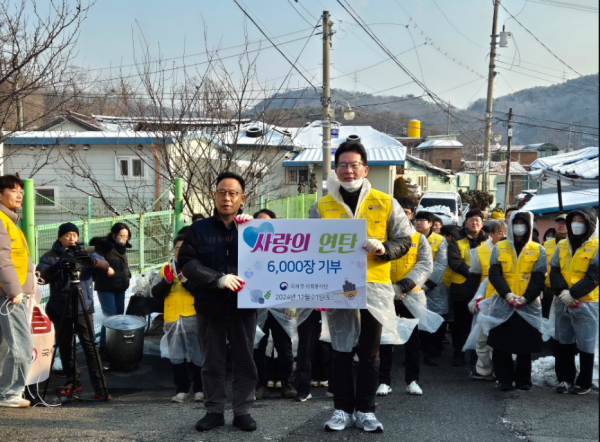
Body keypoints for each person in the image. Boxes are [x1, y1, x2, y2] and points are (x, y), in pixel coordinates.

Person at [310, 141, 414, 433]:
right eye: (342, 164)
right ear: (336, 169)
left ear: (365, 169)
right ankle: (342, 409)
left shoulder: (385, 201)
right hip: (338, 287)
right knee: (340, 350)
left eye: (354, 164)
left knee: (370, 353)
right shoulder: (322, 206)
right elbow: (306, 247)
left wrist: (384, 248)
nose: (348, 170)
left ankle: (367, 410)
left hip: (374, 288)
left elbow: (404, 239)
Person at [178, 172, 258, 432]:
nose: (227, 198)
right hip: (209, 307)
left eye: (233, 193)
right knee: (212, 361)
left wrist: (255, 227)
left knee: (245, 361)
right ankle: (214, 410)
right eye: (222, 192)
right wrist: (217, 279)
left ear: (242, 198)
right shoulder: (198, 230)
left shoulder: (252, 228)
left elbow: (271, 258)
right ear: (214, 196)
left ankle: (243, 411)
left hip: (244, 307)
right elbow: (187, 263)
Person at [37, 223, 112, 399]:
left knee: (90, 346)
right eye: (68, 235)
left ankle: (100, 388)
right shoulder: (50, 256)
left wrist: (91, 260)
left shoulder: (85, 251)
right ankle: (72, 382)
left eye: (74, 235)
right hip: (60, 308)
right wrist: (56, 267)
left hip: (83, 307)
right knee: (65, 346)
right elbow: (40, 278)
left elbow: (105, 265)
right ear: (60, 237)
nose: (72, 238)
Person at [487, 210, 547, 391]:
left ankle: (523, 381)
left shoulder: (538, 249)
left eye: (523, 223)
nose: (519, 227)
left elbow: (539, 277)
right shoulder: (500, 247)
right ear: (511, 226)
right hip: (503, 302)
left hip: (527, 305)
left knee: (525, 345)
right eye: (516, 223)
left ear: (529, 226)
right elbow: (494, 273)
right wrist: (507, 294)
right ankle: (504, 379)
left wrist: (526, 298)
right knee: (501, 344)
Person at [377, 205, 433, 397]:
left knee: (412, 341)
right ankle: (384, 381)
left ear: (411, 215)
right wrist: (388, 288)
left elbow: (425, 265)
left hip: (410, 296)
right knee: (384, 339)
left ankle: (412, 380)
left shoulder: (419, 238)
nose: (401, 216)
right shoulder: (380, 236)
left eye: (406, 212)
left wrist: (403, 286)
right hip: (384, 294)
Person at [549, 206, 598, 395]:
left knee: (586, 343)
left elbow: (595, 275)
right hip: (563, 300)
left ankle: (584, 383)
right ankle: (564, 379)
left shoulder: (597, 244)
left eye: (581, 221)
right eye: (574, 221)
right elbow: (554, 269)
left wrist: (574, 294)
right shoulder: (562, 244)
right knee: (563, 342)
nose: (576, 225)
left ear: (590, 223)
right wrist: (562, 292)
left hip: (587, 302)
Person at [151, 234, 204, 403]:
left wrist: (187, 281)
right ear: (173, 251)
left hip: (193, 317)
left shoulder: (198, 268)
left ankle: (200, 390)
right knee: (177, 356)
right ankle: (181, 390)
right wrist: (166, 281)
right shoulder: (165, 269)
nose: (180, 252)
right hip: (173, 317)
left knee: (198, 355)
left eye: (185, 248)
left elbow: (204, 292)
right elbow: (155, 294)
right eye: (177, 248)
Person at [251, 209, 297, 401]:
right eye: (258, 223)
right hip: (256, 307)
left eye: (267, 224)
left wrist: (292, 307)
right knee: (257, 348)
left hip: (281, 305)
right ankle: (260, 385)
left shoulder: (284, 248)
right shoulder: (248, 249)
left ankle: (287, 382)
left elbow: (294, 274)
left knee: (284, 346)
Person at [0, 175, 35, 408]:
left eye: (21, 190)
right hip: (10, 296)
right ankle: (10, 393)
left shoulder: (10, 221)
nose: (19, 194)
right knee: (20, 344)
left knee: (7, 345)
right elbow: (2, 259)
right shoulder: (2, 220)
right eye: (13, 190)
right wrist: (15, 291)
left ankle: (6, 392)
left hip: (14, 293)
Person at [447, 209, 488, 367]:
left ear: (482, 224)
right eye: (471, 220)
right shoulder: (457, 238)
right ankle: (458, 354)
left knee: (478, 324)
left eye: (477, 220)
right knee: (459, 325)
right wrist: (472, 274)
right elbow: (454, 261)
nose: (474, 222)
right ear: (465, 223)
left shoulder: (487, 239)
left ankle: (476, 357)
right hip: (461, 289)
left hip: (481, 289)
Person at [467, 220, 507, 381]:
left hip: (505, 301)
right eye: (500, 232)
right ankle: (483, 370)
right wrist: (475, 298)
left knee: (499, 340)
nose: (504, 235)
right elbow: (478, 277)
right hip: (485, 301)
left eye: (506, 232)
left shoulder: (512, 251)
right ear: (491, 234)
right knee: (481, 339)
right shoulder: (480, 251)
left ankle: (501, 371)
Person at [414, 211, 450, 368]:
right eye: (417, 220)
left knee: (435, 317)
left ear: (430, 224)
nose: (419, 223)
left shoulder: (439, 240)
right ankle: (414, 352)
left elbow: (441, 264)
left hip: (434, 286)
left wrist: (428, 284)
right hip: (413, 284)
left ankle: (432, 351)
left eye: (423, 220)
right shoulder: (410, 238)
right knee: (414, 318)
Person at [90, 222, 132, 355]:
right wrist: (107, 268)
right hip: (106, 286)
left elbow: (123, 265)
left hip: (120, 286)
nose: (124, 238)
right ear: (114, 235)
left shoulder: (122, 248)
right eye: (121, 235)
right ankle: (104, 345)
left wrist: (127, 275)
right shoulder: (103, 246)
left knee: (119, 316)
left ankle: (116, 343)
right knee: (110, 316)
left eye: (126, 236)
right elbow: (96, 259)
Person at [542, 215, 568, 319]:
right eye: (559, 222)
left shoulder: (573, 244)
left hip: (566, 292)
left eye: (564, 222)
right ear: (554, 225)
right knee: (547, 320)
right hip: (548, 291)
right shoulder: (546, 244)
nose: (561, 225)